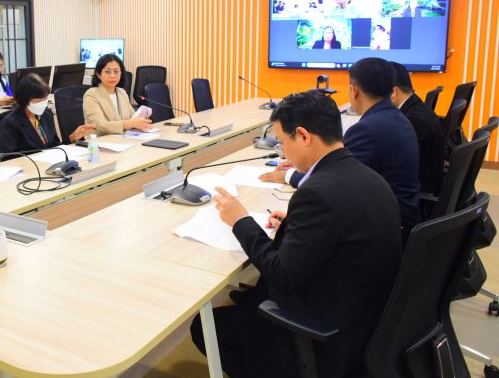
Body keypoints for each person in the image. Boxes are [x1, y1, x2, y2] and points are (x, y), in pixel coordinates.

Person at [190, 91, 402, 378]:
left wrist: (240, 220)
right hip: (370, 324)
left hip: (326, 338)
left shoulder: (316, 193)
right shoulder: (369, 177)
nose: (282, 151)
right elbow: (342, 232)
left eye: (283, 142)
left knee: (204, 327)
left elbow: (283, 275)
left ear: (303, 135)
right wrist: (294, 226)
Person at [260, 58, 420, 242]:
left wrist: (289, 175)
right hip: (398, 219)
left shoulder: (367, 129)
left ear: (354, 90)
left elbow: (334, 178)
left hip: (388, 230)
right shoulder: (395, 117)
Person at [0, 73, 95, 154]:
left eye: (45, 99)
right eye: (38, 101)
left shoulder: (46, 115)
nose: (42, 104)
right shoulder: (9, 123)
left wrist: (71, 138)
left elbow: (54, 147)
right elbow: (9, 158)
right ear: (24, 100)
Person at [389, 61, 445, 196]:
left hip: (417, 196)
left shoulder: (413, 122)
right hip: (424, 184)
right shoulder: (415, 108)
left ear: (394, 92)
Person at [82, 54, 153, 136]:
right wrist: (130, 123)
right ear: (98, 74)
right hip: (98, 143)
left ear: (121, 73)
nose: (112, 76)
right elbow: (99, 125)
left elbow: (132, 117)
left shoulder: (122, 92)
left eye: (116, 72)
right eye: (107, 72)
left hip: (123, 139)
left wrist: (142, 118)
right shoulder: (91, 94)